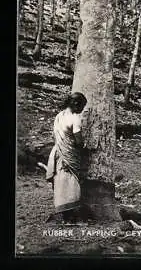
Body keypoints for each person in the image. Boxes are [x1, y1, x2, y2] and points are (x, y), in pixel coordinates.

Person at [45, 92, 87, 224]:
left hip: (59, 152)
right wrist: (84, 146)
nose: (82, 110)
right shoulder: (75, 118)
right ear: (76, 104)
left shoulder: (59, 116)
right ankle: (69, 217)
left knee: (61, 182)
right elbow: (78, 139)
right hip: (70, 154)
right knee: (71, 183)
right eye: (82, 107)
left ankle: (64, 214)